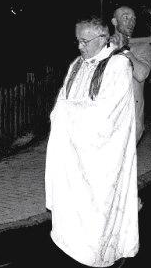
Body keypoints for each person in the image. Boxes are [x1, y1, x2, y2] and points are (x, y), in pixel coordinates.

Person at [45, 18, 138, 267]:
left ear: (102, 39)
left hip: (102, 156)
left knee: (99, 215)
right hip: (75, 155)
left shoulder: (118, 65)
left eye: (84, 41)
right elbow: (61, 103)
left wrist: (67, 113)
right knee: (75, 210)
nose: (79, 46)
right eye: (77, 40)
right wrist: (64, 114)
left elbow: (108, 114)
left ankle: (105, 255)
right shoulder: (77, 65)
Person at [111, 6, 151, 144]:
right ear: (114, 21)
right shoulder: (101, 46)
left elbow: (141, 74)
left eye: (133, 19)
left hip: (130, 120)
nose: (131, 22)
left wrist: (124, 51)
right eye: (126, 17)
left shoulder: (142, 46)